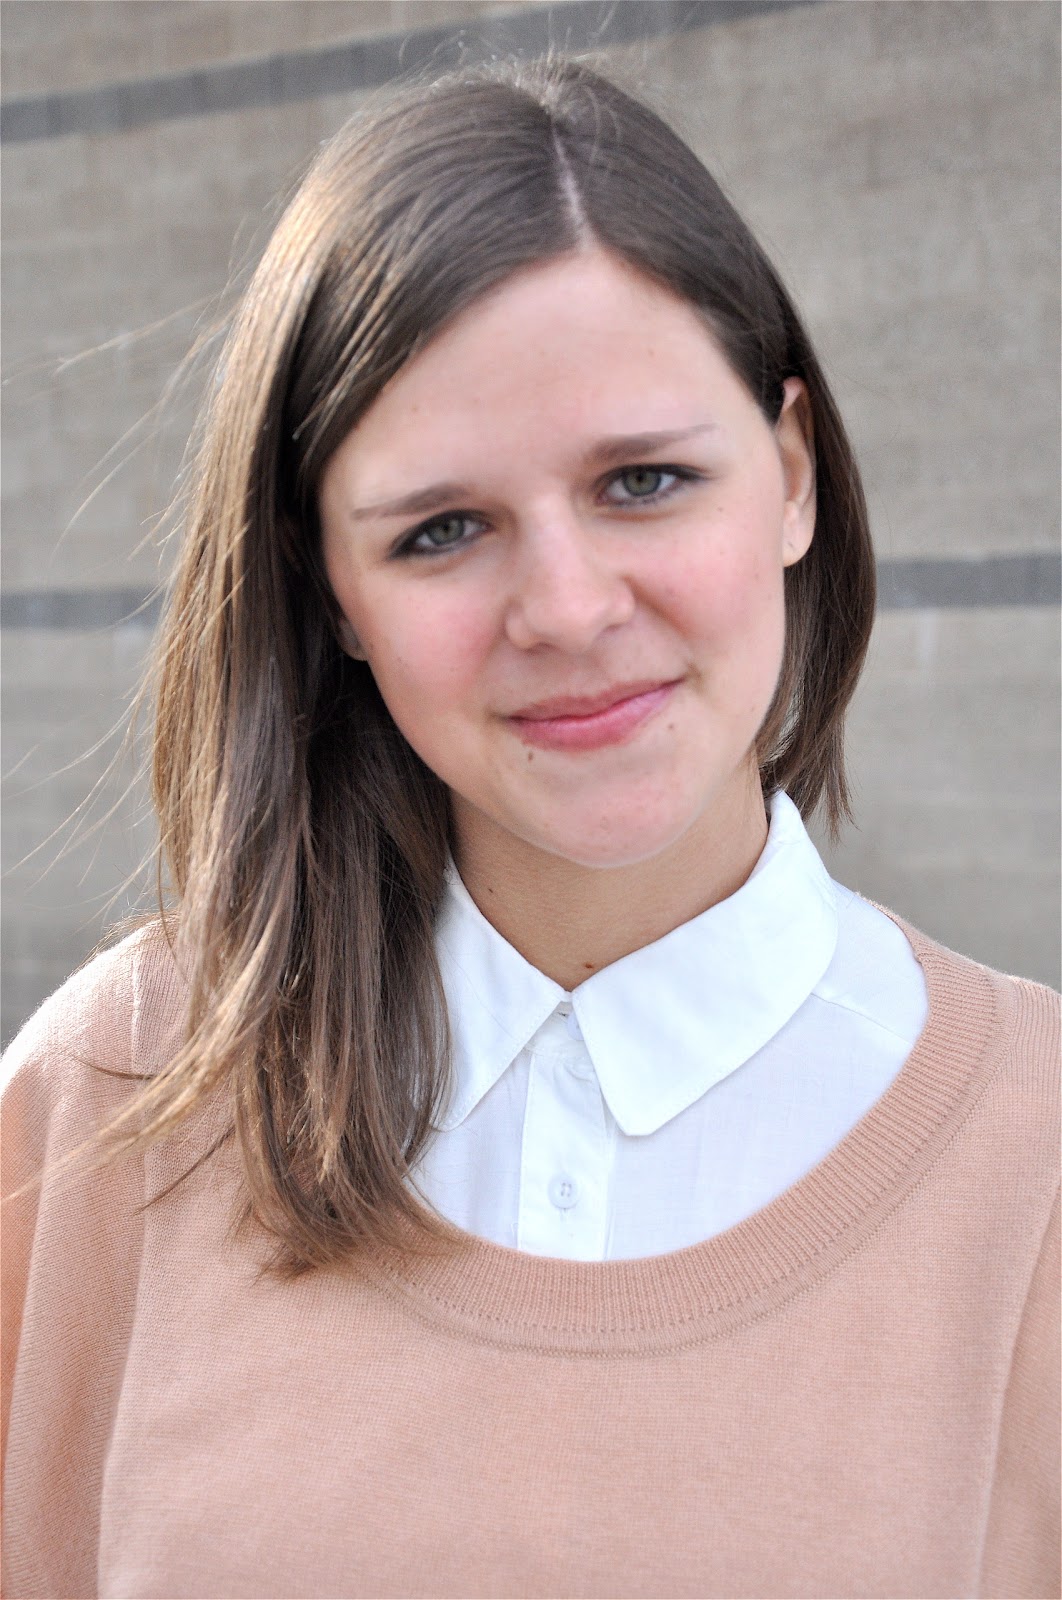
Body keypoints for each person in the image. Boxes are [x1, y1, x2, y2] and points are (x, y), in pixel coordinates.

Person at [2, 54, 1058, 1600]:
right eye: (440, 530)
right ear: (329, 593)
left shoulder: (1036, 1160)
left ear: (787, 474)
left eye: (644, 480)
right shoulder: (108, 1104)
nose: (564, 608)